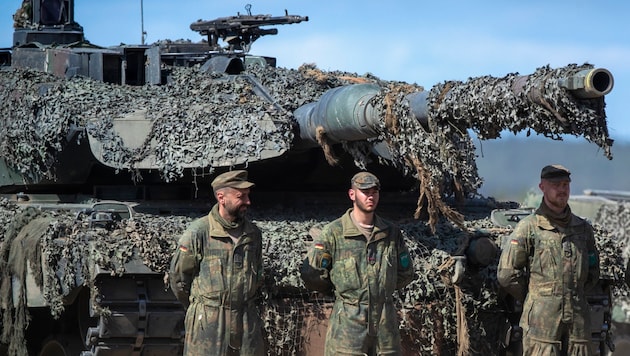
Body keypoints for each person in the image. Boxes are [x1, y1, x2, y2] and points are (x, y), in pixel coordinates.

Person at [301, 171, 415, 356]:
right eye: (365, 191)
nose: (371, 196)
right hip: (348, 322)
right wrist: (341, 293)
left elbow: (405, 273)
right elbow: (312, 274)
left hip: (384, 324)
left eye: (374, 191)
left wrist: (380, 291)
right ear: (352, 194)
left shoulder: (391, 233)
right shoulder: (335, 233)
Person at [497, 164, 600, 355]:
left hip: (578, 324)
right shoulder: (529, 227)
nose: (562, 190)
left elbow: (593, 272)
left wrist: (571, 294)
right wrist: (536, 297)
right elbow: (507, 274)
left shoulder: (583, 229)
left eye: (565, 185)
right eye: (556, 185)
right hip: (541, 324)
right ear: (542, 187)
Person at [169, 170, 264, 356]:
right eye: (241, 196)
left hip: (245, 319)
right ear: (221, 197)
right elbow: (179, 279)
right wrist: (202, 308)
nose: (248, 202)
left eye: (248, 196)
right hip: (209, 323)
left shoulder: (253, 234)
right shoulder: (199, 232)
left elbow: (258, 273)